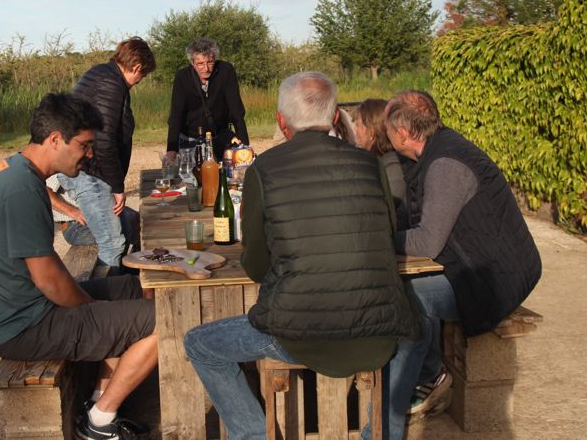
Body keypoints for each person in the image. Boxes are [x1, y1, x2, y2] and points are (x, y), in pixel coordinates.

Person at [183, 71, 420, 440]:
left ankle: (254, 435)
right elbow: (386, 239)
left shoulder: (265, 168)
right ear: (333, 116)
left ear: (281, 120)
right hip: (379, 334)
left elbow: (257, 265)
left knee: (198, 343)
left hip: (298, 337)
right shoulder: (370, 164)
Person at [0, 92, 157, 440]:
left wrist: (99, 310)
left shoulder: (17, 169)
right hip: (21, 326)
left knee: (137, 287)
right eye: (84, 145)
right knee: (167, 318)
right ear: (55, 139)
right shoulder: (21, 188)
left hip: (27, 307)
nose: (91, 154)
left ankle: (99, 401)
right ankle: (99, 422)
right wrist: (93, 310)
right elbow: (48, 281)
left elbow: (46, 273)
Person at [367, 89, 542, 440]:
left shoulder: (447, 164)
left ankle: (387, 425)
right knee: (404, 293)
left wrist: (370, 241)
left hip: (495, 276)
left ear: (402, 133)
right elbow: (405, 220)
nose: (383, 134)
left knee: (407, 299)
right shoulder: (422, 156)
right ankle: (428, 375)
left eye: (387, 127)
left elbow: (426, 242)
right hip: (469, 264)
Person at [53, 37, 155, 271]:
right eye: (142, 75)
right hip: (87, 173)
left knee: (131, 227)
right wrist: (118, 187)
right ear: (137, 67)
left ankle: (128, 284)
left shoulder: (103, 74)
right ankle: (109, 301)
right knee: (113, 244)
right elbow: (104, 141)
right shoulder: (111, 83)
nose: (139, 81)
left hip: (90, 171)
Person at [164, 38, 249, 162]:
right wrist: (171, 150)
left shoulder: (226, 71)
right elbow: (176, 115)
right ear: (192, 63)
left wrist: (244, 146)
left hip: (220, 137)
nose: (206, 68)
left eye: (210, 62)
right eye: (200, 63)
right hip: (190, 139)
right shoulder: (182, 77)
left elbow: (236, 110)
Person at [352, 98, 407, 212]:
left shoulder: (392, 165)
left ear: (371, 133)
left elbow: (390, 205)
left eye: (358, 125)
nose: (355, 130)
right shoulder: (380, 161)